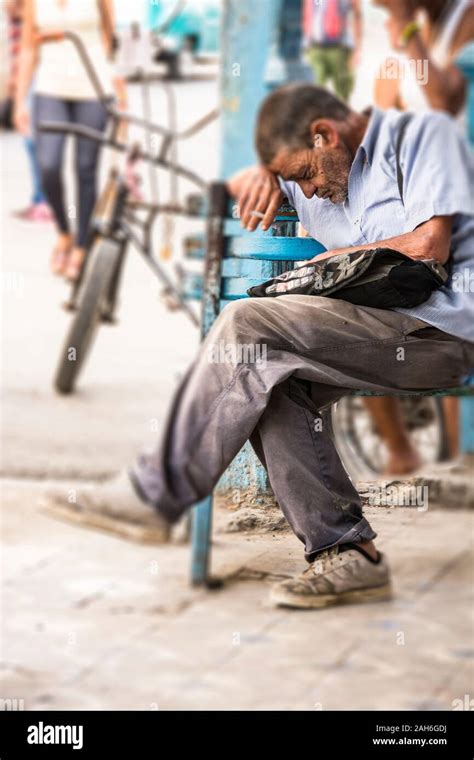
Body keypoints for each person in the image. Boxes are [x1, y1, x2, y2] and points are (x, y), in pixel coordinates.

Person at [45, 84, 474, 610]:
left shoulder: (420, 137)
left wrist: (329, 259)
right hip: (365, 334)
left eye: (305, 175)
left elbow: (431, 245)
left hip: (443, 332)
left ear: (325, 135)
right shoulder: (307, 171)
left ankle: (157, 493)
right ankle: (347, 553)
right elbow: (266, 173)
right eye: (295, 181)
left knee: (246, 325)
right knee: (262, 376)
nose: (307, 193)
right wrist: (267, 172)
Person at [365, 0, 474, 472]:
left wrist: (408, 27)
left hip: (455, 197)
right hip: (413, 194)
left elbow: (442, 100)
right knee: (347, 284)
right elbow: (378, 111)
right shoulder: (408, 27)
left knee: (449, 305)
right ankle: (401, 450)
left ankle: (456, 449)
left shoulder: (460, 20)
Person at [13, 0, 127, 279]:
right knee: (48, 165)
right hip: (50, 88)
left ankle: (81, 246)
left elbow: (109, 40)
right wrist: (19, 102)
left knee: (85, 168)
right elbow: (29, 49)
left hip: (93, 87)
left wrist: (119, 93)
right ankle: (64, 231)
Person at [6, 0, 52, 223]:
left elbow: (31, 46)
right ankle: (39, 198)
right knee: (31, 140)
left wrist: (20, 80)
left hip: (40, 74)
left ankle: (44, 201)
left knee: (33, 140)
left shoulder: (33, 8)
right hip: (27, 74)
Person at [303, 0, 362, 102]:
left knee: (342, 94)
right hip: (315, 47)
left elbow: (357, 16)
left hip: (339, 48)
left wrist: (357, 49)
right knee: (314, 93)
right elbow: (311, 12)